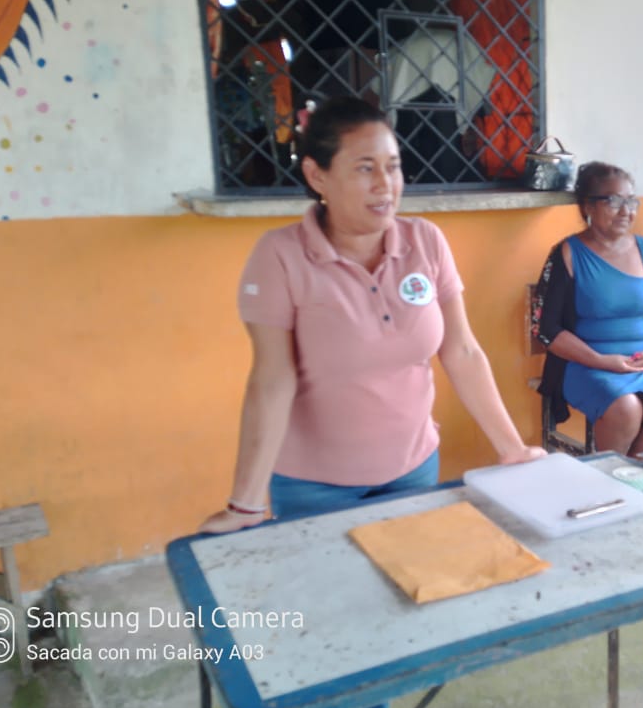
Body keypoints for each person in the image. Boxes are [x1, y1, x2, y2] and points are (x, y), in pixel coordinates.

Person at [199, 96, 543, 530]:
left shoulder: (425, 241)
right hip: (314, 487)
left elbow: (462, 351)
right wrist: (246, 504)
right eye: (365, 168)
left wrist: (512, 449)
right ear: (316, 175)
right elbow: (272, 380)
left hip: (415, 469)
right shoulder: (280, 256)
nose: (385, 185)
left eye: (393, 167)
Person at [533, 162, 643, 456]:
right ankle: (609, 475)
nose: (626, 211)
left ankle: (633, 471)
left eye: (631, 201)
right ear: (587, 206)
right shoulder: (568, 253)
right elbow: (546, 329)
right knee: (626, 409)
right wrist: (601, 361)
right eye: (614, 201)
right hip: (586, 364)